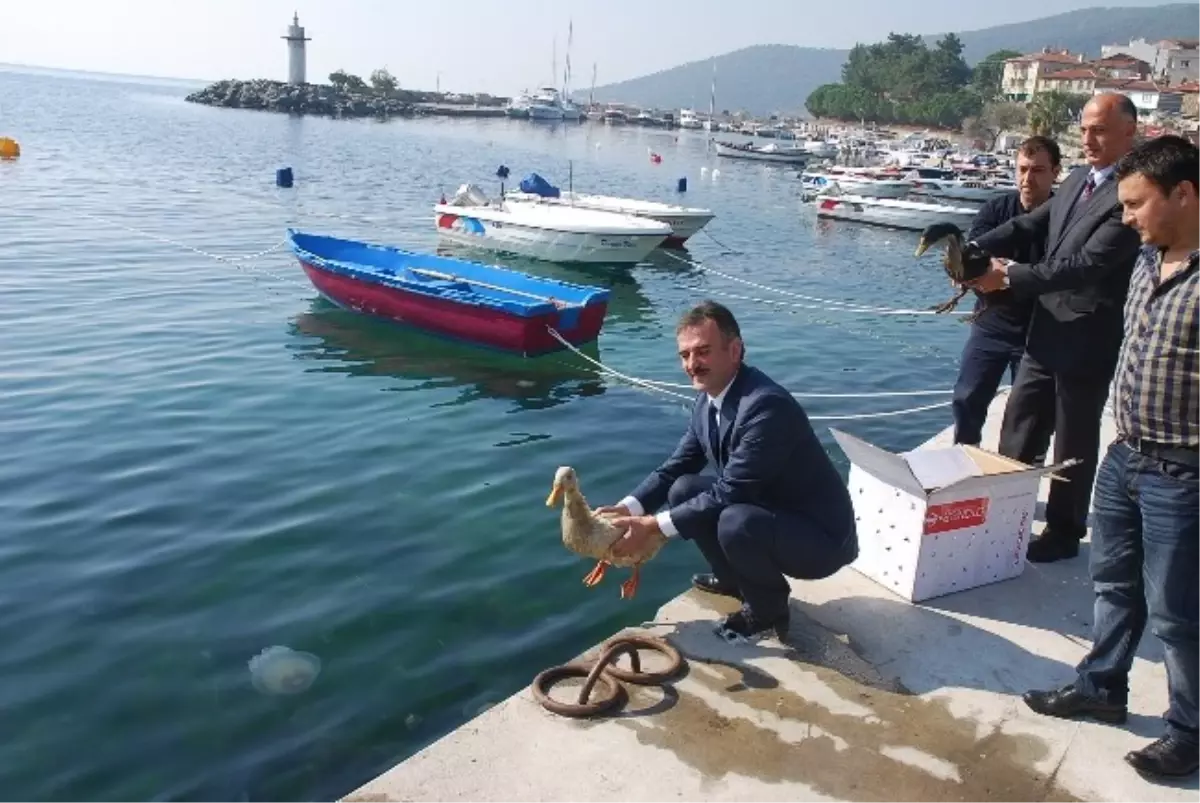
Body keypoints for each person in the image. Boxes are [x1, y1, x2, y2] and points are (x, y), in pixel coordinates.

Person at [1021, 135, 1200, 780]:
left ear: (1183, 194)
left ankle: (1189, 727)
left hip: (1184, 471)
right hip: (1125, 455)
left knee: (1177, 610)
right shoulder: (1148, 262)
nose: (1126, 218)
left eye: (1136, 204)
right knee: (1113, 583)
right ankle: (1101, 688)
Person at [598, 301, 858, 640]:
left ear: (734, 350)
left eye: (703, 352)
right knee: (683, 489)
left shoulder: (766, 406)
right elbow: (675, 468)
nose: (692, 365)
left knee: (735, 521)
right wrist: (630, 507)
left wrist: (653, 527)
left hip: (819, 540)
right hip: (772, 512)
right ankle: (734, 580)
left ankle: (768, 610)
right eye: (685, 355)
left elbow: (732, 491)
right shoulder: (708, 401)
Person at [968, 94, 1142, 563]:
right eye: (1084, 129)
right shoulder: (1081, 179)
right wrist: (972, 247)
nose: (1088, 139)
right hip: (1044, 329)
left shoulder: (1131, 193)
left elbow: (1086, 265)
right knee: (1019, 425)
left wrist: (1008, 276)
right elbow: (1030, 224)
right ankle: (1006, 516)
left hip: (1088, 337)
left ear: (1130, 131)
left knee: (1073, 439)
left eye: (1100, 130)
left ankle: (1064, 532)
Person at [952, 136, 1061, 446]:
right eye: (1022, 169)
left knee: (1028, 415)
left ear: (1056, 172)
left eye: (1038, 170)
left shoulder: (1064, 219)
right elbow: (975, 259)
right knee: (966, 398)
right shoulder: (996, 208)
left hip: (1039, 332)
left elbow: (1058, 270)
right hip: (991, 325)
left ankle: (1012, 478)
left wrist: (1004, 269)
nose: (1028, 179)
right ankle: (964, 456)